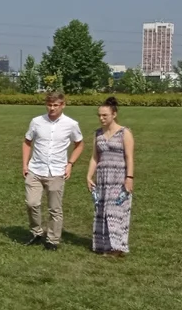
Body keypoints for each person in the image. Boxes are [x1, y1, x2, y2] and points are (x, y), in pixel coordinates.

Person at [22, 90, 83, 251]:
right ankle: (36, 232)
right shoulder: (36, 122)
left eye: (56, 105)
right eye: (49, 105)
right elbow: (27, 142)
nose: (52, 108)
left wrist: (70, 163)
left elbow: (79, 144)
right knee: (32, 203)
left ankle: (53, 240)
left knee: (55, 208)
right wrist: (25, 164)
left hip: (57, 171)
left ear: (63, 105)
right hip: (35, 169)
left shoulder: (71, 124)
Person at [87, 96, 134, 258]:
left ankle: (117, 247)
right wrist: (89, 176)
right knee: (102, 210)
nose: (101, 118)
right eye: (99, 115)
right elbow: (95, 157)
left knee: (117, 212)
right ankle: (103, 245)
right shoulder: (98, 134)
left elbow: (129, 157)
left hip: (118, 178)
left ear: (114, 114)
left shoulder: (124, 133)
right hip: (103, 179)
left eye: (104, 115)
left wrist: (129, 177)